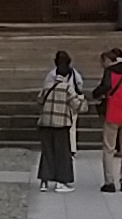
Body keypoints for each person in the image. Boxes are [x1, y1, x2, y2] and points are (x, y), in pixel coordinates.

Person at [35, 51, 86, 192]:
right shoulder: (67, 88)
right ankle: (60, 182)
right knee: (62, 153)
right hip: (61, 123)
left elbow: (39, 100)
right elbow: (78, 106)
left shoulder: (47, 86)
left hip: (45, 122)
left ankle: (44, 182)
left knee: (47, 152)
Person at [93, 49, 122, 191]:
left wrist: (95, 94)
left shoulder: (110, 72)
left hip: (113, 113)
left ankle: (109, 182)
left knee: (109, 149)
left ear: (109, 60)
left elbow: (105, 87)